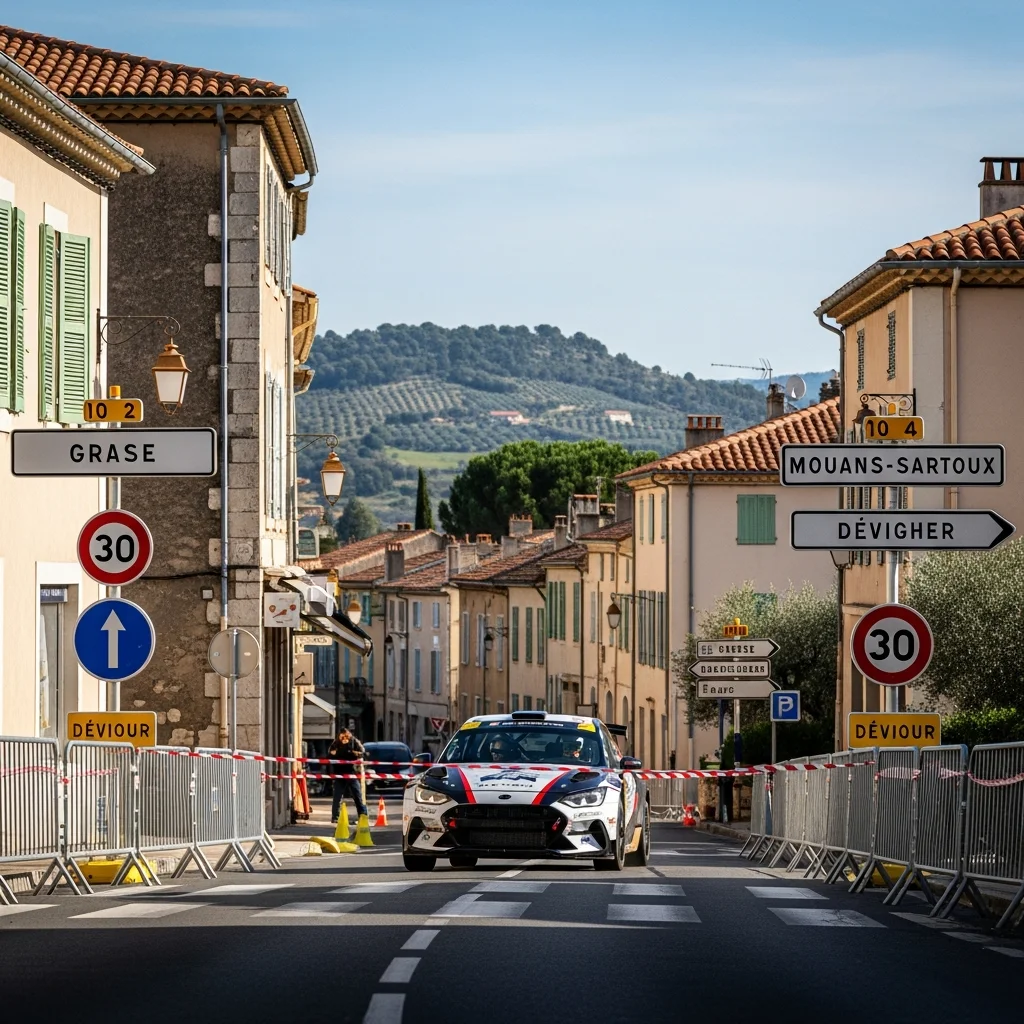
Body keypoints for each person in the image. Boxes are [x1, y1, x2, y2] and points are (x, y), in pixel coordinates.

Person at [328, 727, 368, 823]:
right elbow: (329, 754)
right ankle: (335, 817)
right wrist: (334, 754)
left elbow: (363, 753)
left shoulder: (354, 742)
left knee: (357, 796)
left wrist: (354, 753)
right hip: (340, 773)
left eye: (346, 736)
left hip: (352, 772)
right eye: (342, 737)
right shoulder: (336, 743)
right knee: (337, 796)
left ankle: (363, 816)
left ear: (349, 735)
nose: (344, 739)